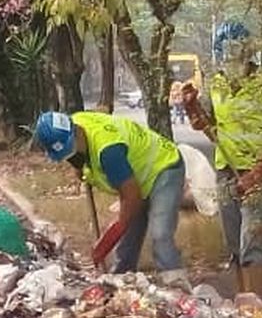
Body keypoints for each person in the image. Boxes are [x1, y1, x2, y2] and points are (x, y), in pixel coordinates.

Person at [33, 110, 186, 279]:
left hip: (163, 167)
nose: (69, 156)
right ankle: (120, 280)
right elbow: (79, 158)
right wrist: (80, 168)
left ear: (75, 132)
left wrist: (106, 241)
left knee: (160, 235)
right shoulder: (75, 123)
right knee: (127, 240)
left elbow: (131, 198)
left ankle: (177, 285)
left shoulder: (109, 152)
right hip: (137, 176)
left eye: (69, 150)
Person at [184, 21, 262, 270]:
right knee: (234, 242)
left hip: (258, 174)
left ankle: (257, 296)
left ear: (247, 52)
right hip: (226, 171)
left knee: (251, 241)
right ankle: (240, 298)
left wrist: (255, 176)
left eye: (235, 51)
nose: (229, 59)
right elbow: (205, 126)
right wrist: (191, 106)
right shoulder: (217, 85)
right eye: (224, 52)